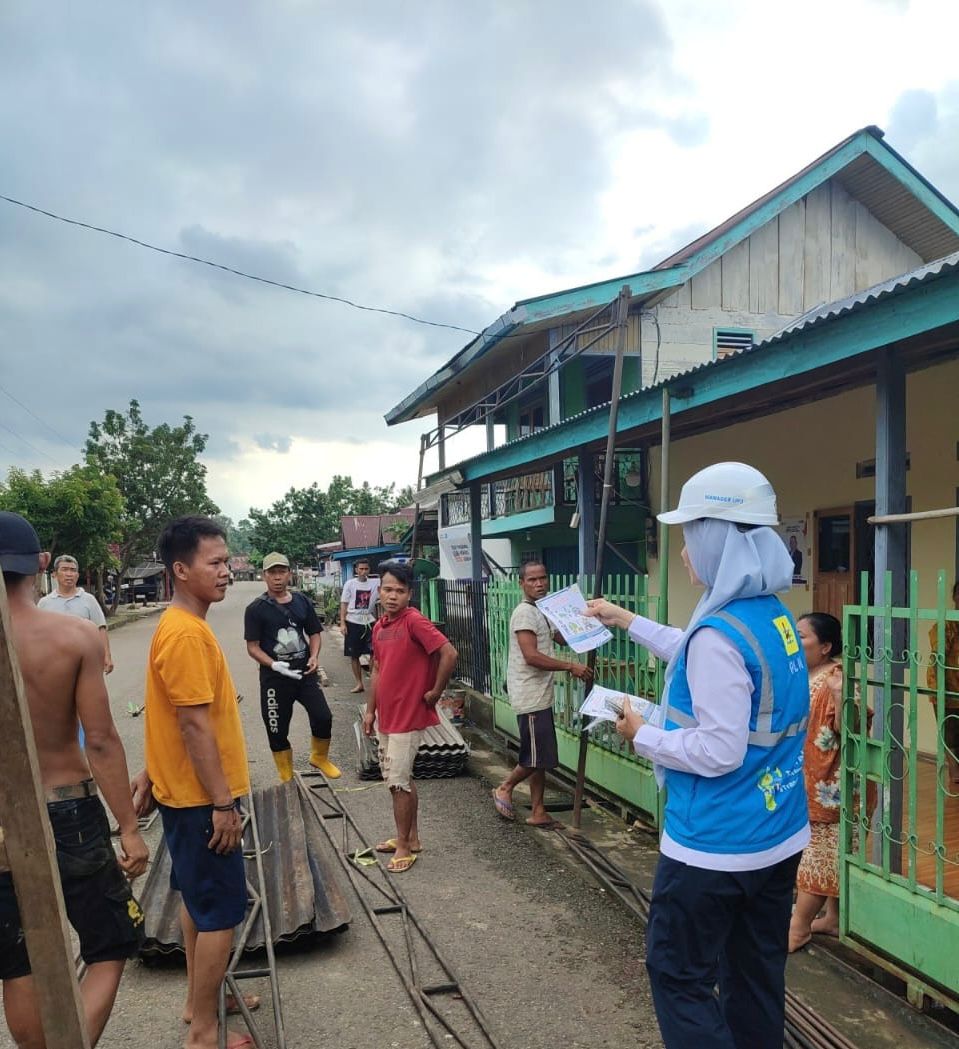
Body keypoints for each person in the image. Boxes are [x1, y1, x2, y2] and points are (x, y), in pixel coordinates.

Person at [585, 462, 810, 1049]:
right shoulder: (770, 615)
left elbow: (718, 749)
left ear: (719, 538)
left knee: (678, 975)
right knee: (755, 972)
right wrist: (626, 619)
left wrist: (641, 733)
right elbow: (698, 656)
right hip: (778, 832)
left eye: (691, 536)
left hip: (714, 846)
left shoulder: (720, 632)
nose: (684, 551)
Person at [0, 511, 148, 1049]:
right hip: (68, 811)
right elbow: (102, 739)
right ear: (41, 565)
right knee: (109, 945)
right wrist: (128, 828)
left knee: (18, 962)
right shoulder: (76, 636)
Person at [144, 515, 253, 1049]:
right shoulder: (185, 633)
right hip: (199, 801)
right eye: (215, 562)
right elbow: (191, 723)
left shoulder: (185, 625)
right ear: (181, 570)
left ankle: (200, 1000)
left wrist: (150, 768)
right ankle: (205, 1033)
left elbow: (169, 714)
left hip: (183, 794)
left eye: (227, 560)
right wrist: (222, 803)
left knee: (197, 902)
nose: (226, 571)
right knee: (220, 916)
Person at [361, 562, 457, 873]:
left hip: (408, 715)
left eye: (400, 591)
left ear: (409, 594)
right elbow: (377, 669)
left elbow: (449, 653)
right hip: (386, 716)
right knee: (398, 778)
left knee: (397, 782)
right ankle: (410, 837)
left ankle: (404, 846)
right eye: (388, 589)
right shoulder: (380, 626)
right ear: (379, 591)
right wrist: (370, 710)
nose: (393, 596)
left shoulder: (414, 621)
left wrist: (435, 691)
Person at [492, 560, 593, 826]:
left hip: (540, 694)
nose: (539, 584)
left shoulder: (542, 610)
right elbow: (531, 656)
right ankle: (505, 787)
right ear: (521, 583)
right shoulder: (525, 613)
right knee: (536, 756)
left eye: (543, 578)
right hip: (530, 695)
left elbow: (558, 637)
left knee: (540, 757)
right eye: (532, 580)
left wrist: (590, 623)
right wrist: (570, 666)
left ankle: (538, 811)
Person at [243, 551, 340, 782]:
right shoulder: (255, 609)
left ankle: (319, 757)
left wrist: (314, 656)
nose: (277, 577)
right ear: (264, 576)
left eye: (281, 571)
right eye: (272, 572)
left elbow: (314, 633)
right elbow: (253, 647)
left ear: (289, 574)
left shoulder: (302, 601)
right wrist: (273, 665)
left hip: (304, 673)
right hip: (274, 679)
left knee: (323, 716)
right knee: (276, 727)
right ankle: (285, 771)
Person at [789, 612, 846, 951]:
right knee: (829, 854)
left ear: (825, 646)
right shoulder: (808, 674)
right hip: (809, 779)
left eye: (802, 636)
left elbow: (846, 727)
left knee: (819, 857)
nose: (794, 642)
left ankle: (799, 928)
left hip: (832, 787)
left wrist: (841, 699)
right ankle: (834, 918)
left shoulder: (835, 678)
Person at [39, 553, 114, 674]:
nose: (69, 574)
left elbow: (101, 628)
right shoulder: (44, 603)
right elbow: (39, 635)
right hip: (54, 664)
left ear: (77, 575)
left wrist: (107, 655)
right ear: (54, 574)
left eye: (73, 570)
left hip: (86, 662)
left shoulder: (88, 600)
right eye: (64, 569)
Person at [926, 580, 959, 785]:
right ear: (955, 597)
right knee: (950, 733)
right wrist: (940, 689)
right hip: (946, 687)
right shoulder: (945, 626)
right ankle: (954, 773)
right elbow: (939, 658)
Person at [340, 559, 379, 693]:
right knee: (354, 654)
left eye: (366, 569)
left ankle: (374, 680)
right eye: (360, 569)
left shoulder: (375, 583)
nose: (363, 572)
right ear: (356, 570)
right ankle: (359, 683)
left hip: (369, 621)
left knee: (375, 652)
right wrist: (343, 623)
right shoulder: (350, 584)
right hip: (353, 621)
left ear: (369, 570)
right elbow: (344, 604)